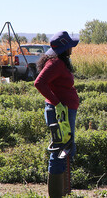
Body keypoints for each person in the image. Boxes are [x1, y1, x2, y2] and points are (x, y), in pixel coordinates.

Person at [34, 31, 79, 197]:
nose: (72, 50)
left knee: (66, 149)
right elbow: (39, 83)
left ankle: (64, 192)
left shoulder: (58, 62)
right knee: (60, 150)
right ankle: (56, 194)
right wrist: (57, 103)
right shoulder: (56, 64)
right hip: (61, 114)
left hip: (64, 112)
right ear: (65, 49)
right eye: (70, 47)